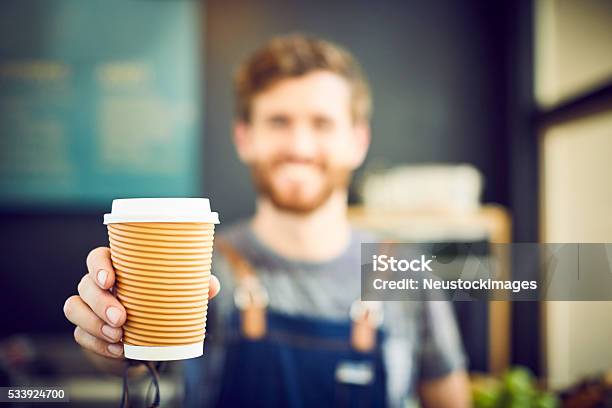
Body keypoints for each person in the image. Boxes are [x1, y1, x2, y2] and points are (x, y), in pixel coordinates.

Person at [63, 34, 471, 407]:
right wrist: (108, 336)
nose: (299, 146)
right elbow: (130, 362)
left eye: (322, 123)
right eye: (279, 121)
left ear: (357, 141)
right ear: (245, 138)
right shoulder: (200, 267)